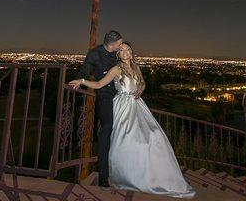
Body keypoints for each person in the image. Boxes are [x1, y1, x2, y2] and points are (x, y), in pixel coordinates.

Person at [69, 41, 196, 198]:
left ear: (131, 52)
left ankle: (154, 176)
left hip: (137, 105)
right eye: (121, 50)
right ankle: (129, 176)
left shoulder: (136, 68)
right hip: (122, 107)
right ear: (118, 54)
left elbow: (142, 83)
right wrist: (81, 81)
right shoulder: (116, 69)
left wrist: (140, 91)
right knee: (129, 139)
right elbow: (100, 83)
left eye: (127, 49)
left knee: (154, 135)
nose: (125, 52)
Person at [76, 30, 124, 188]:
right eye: (119, 43)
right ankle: (103, 175)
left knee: (123, 131)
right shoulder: (95, 54)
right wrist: (80, 80)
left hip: (121, 97)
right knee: (107, 129)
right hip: (104, 96)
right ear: (112, 44)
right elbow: (84, 71)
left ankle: (123, 168)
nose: (121, 46)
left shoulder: (119, 53)